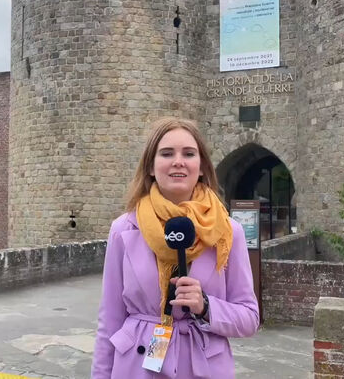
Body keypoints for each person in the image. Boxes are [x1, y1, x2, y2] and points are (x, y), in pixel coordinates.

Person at [91, 117, 259, 378]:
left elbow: (249, 318)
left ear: (201, 166)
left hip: (202, 365)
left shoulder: (227, 232)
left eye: (189, 154)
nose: (178, 161)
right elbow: (109, 319)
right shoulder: (124, 229)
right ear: (150, 166)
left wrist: (206, 306)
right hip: (138, 365)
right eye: (167, 153)